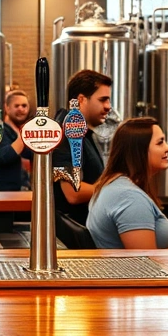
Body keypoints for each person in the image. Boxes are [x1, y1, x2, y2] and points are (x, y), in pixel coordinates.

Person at [87, 117, 168, 249]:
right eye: (160, 143)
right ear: (139, 150)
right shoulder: (128, 197)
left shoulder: (117, 185)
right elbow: (146, 265)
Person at [52, 70, 112, 232]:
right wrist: (115, 188)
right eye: (103, 100)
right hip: (73, 238)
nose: (108, 106)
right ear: (81, 100)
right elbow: (73, 193)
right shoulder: (66, 133)